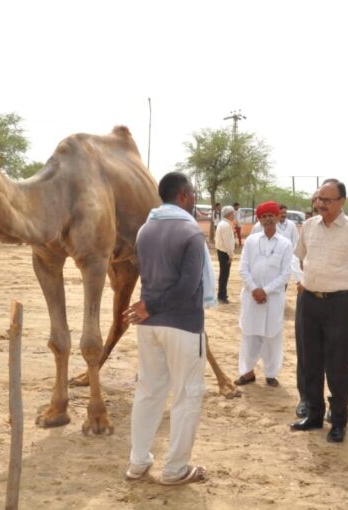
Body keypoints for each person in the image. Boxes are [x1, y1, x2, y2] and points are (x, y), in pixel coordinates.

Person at [123, 171, 211, 485]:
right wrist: (153, 306)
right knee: (187, 395)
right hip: (182, 325)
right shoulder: (191, 233)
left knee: (149, 392)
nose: (196, 199)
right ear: (184, 194)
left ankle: (137, 462)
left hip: (149, 326)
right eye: (194, 193)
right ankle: (175, 470)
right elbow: (189, 286)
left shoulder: (146, 229)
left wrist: (149, 307)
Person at [290, 179, 348, 443]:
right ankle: (314, 415)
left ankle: (338, 421)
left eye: (326, 200)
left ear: (341, 202)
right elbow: (302, 258)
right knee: (310, 360)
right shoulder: (309, 226)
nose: (320, 204)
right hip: (309, 301)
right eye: (318, 199)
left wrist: (346, 291)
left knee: (337, 364)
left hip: (339, 305)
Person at [235, 201, 292, 388]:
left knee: (272, 336)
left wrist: (265, 291)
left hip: (273, 298)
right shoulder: (251, 241)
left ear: (277, 217)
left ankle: (271, 374)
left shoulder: (285, 244)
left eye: (271, 215)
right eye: (264, 216)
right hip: (252, 297)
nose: (268, 219)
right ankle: (247, 372)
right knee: (249, 335)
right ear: (259, 219)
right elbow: (243, 269)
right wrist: (255, 289)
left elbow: (285, 274)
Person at [215, 205, 236, 304]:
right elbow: (227, 242)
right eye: (232, 213)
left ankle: (222, 294)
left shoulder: (222, 223)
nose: (233, 215)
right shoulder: (226, 225)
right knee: (224, 275)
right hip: (225, 252)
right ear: (229, 214)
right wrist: (231, 255)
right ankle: (222, 296)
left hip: (221, 251)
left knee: (223, 274)